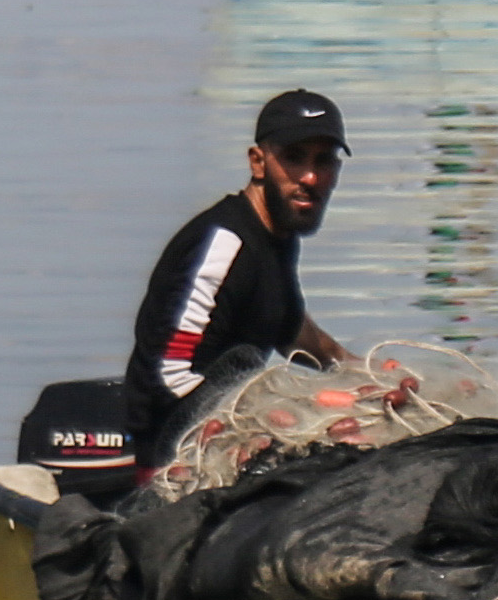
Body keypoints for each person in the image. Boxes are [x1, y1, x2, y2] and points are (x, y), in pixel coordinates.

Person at [124, 89, 354, 460]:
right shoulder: (223, 246)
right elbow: (168, 377)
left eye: (324, 161)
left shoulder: (279, 235)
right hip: (171, 450)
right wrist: (259, 418)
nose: (311, 177)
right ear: (258, 163)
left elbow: (290, 329)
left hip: (232, 427)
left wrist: (362, 374)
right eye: (294, 159)